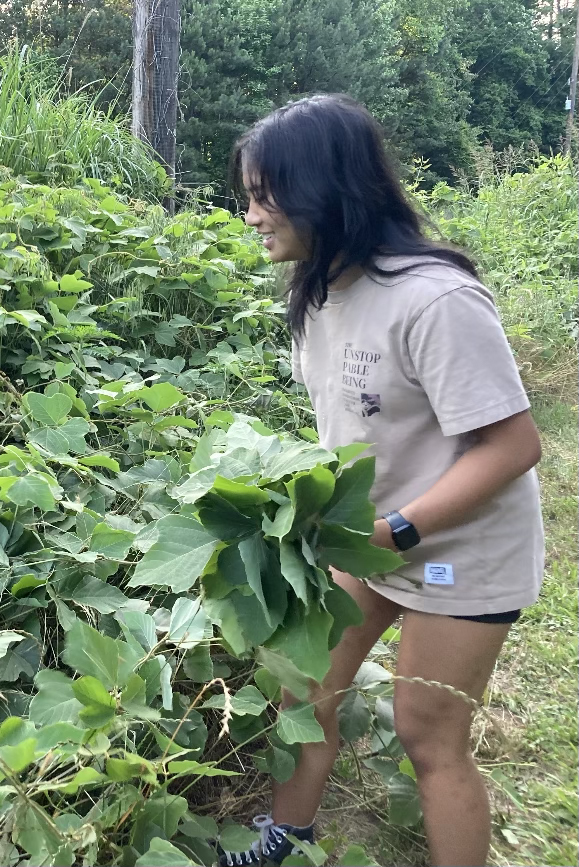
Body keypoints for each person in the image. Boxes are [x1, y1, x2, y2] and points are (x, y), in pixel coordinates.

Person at [217, 94, 545, 867]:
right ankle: (284, 839)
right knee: (303, 689)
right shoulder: (320, 289)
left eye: (266, 197)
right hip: (369, 538)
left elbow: (513, 445)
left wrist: (396, 529)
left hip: (454, 550)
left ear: (326, 192)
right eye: (247, 198)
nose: (252, 217)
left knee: (426, 731)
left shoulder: (433, 299)